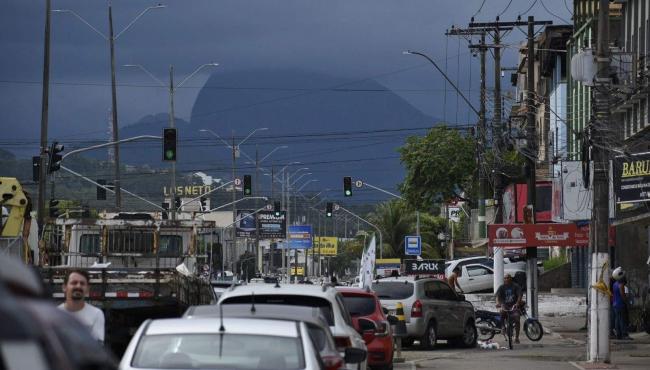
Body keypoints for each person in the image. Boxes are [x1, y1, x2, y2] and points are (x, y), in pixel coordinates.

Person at [58, 269, 105, 342]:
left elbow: (97, 347)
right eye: (74, 283)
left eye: (82, 283)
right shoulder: (54, 314)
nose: (78, 286)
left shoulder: (96, 314)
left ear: (87, 289)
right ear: (64, 287)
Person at [495, 273, 523, 344]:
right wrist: (498, 303)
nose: (506, 279)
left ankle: (516, 337)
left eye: (508, 278)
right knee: (501, 312)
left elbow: (519, 295)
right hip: (505, 305)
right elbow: (497, 296)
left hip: (514, 306)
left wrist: (517, 303)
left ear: (511, 278)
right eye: (505, 278)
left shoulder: (515, 286)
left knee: (517, 318)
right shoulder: (502, 287)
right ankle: (503, 327)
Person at [612, 267, 632, 340]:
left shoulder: (615, 284)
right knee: (622, 320)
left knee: (617, 319)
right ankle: (624, 334)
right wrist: (626, 301)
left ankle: (619, 334)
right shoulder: (621, 285)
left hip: (615, 304)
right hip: (620, 304)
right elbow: (622, 294)